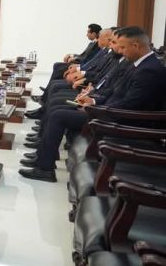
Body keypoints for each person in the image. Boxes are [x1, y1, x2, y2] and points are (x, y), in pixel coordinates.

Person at [19, 26, 166, 182]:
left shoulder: (149, 70)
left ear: (135, 45)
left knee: (58, 115)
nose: (120, 51)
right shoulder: (140, 64)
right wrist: (93, 100)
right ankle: (44, 157)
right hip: (108, 111)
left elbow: (130, 105)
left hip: (117, 121)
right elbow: (114, 91)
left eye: (123, 47)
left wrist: (96, 108)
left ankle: (44, 169)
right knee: (57, 108)